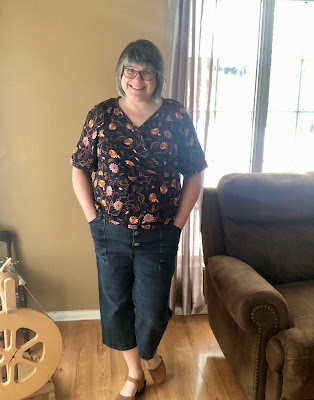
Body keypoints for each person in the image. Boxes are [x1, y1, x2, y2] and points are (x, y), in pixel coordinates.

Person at [70, 39, 207, 400]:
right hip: (108, 232)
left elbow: (195, 175)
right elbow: (79, 170)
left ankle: (150, 352)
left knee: (151, 309)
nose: (137, 78)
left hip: (159, 233)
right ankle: (135, 373)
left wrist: (177, 225)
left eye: (146, 71)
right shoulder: (101, 115)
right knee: (116, 305)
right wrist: (92, 220)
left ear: (157, 77)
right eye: (130, 69)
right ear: (120, 73)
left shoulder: (175, 116)